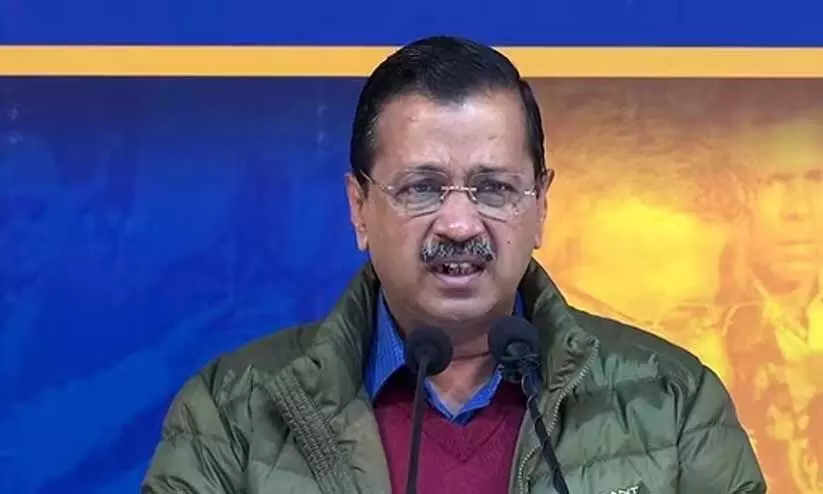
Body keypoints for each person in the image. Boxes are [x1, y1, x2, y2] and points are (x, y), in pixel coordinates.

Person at [141, 36, 765, 493]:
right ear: (359, 208)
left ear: (541, 207)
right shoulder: (231, 414)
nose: (460, 225)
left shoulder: (672, 403)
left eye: (494, 188)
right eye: (422, 188)